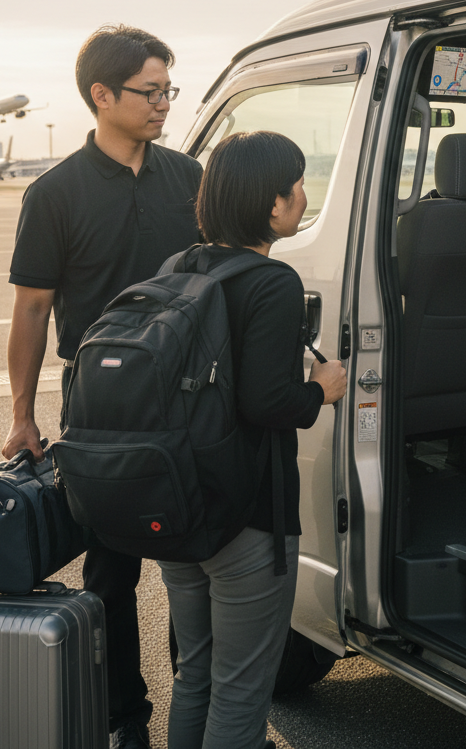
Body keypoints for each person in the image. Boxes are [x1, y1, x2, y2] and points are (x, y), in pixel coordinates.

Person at [3, 24, 203, 749]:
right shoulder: (55, 193)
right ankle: (126, 720)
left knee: (199, 563)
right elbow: (31, 308)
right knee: (111, 574)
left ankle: (202, 717)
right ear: (102, 95)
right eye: (151, 92)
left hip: (191, 399)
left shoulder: (189, 177)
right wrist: (22, 416)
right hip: (100, 408)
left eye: (166, 91)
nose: (162, 105)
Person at [159, 130, 347, 749]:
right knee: (241, 691)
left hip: (179, 505)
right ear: (272, 204)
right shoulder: (272, 282)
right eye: (296, 186)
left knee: (196, 677)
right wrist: (323, 388)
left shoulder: (177, 268)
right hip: (246, 516)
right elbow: (269, 403)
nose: (302, 195)